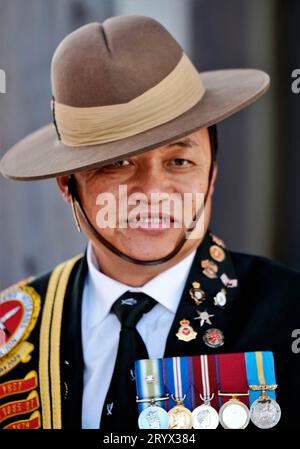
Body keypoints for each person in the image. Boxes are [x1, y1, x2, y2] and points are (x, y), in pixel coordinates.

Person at [0, 15, 299, 430]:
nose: (152, 191)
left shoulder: (288, 314)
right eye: (117, 164)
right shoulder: (12, 333)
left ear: (212, 173)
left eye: (179, 161)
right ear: (67, 184)